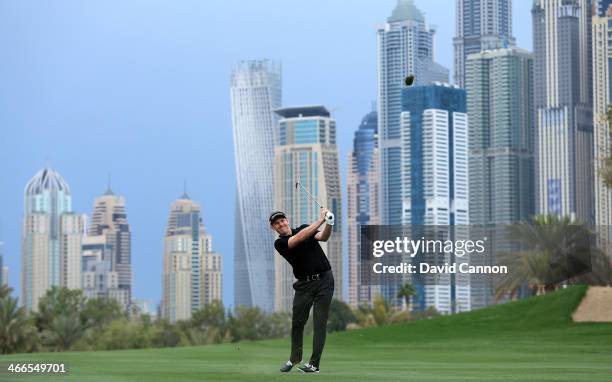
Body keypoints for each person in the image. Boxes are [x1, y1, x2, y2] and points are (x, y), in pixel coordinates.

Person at [269, 209, 335, 373]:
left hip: (325, 281)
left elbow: (323, 237)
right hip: (304, 286)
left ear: (287, 220)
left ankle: (314, 364)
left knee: (320, 322)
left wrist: (329, 223)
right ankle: (294, 359)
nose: (281, 224)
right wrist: (320, 220)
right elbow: (297, 239)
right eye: (276, 223)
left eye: (282, 220)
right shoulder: (280, 243)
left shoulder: (306, 228)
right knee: (298, 323)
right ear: (273, 228)